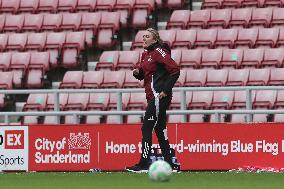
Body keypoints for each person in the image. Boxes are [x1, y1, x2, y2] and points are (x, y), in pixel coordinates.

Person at [126, 28, 180, 173]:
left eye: (147, 36)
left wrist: (166, 90)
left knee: (146, 128)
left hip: (159, 96)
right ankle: (170, 165)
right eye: (143, 36)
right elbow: (146, 74)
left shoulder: (159, 51)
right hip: (153, 97)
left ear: (155, 40)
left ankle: (144, 164)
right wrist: (138, 73)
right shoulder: (146, 54)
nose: (143, 39)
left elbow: (175, 70)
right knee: (160, 129)